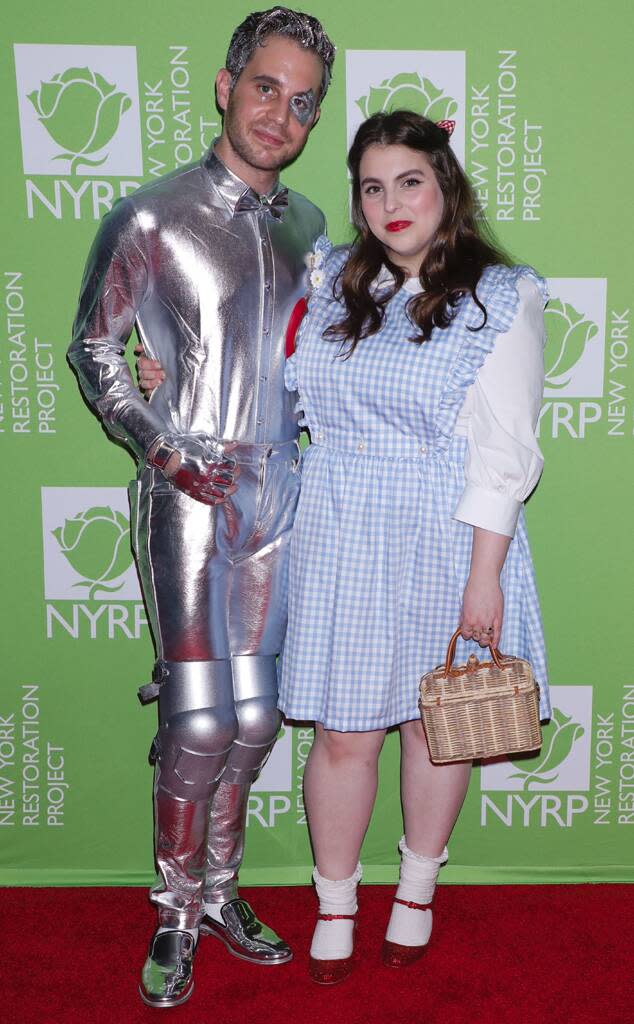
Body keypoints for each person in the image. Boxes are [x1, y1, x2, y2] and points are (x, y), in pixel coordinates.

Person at [68, 7, 335, 1009]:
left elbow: (314, 358)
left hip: (279, 491)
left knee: (258, 715)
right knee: (198, 717)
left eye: (303, 100)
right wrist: (163, 445)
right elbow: (96, 352)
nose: (282, 112)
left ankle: (222, 892)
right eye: (266, 86)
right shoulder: (151, 216)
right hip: (188, 495)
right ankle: (177, 908)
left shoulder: (309, 224)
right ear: (225, 85)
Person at [276, 110, 551, 983]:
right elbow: (270, 388)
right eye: (371, 186)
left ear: (446, 189)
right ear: (357, 203)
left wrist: (486, 579)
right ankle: (336, 901)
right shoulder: (331, 287)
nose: (391, 202)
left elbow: (507, 451)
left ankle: (418, 891)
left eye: (410, 181)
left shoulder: (497, 296)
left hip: (445, 532)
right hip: (340, 527)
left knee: (440, 728)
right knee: (345, 734)